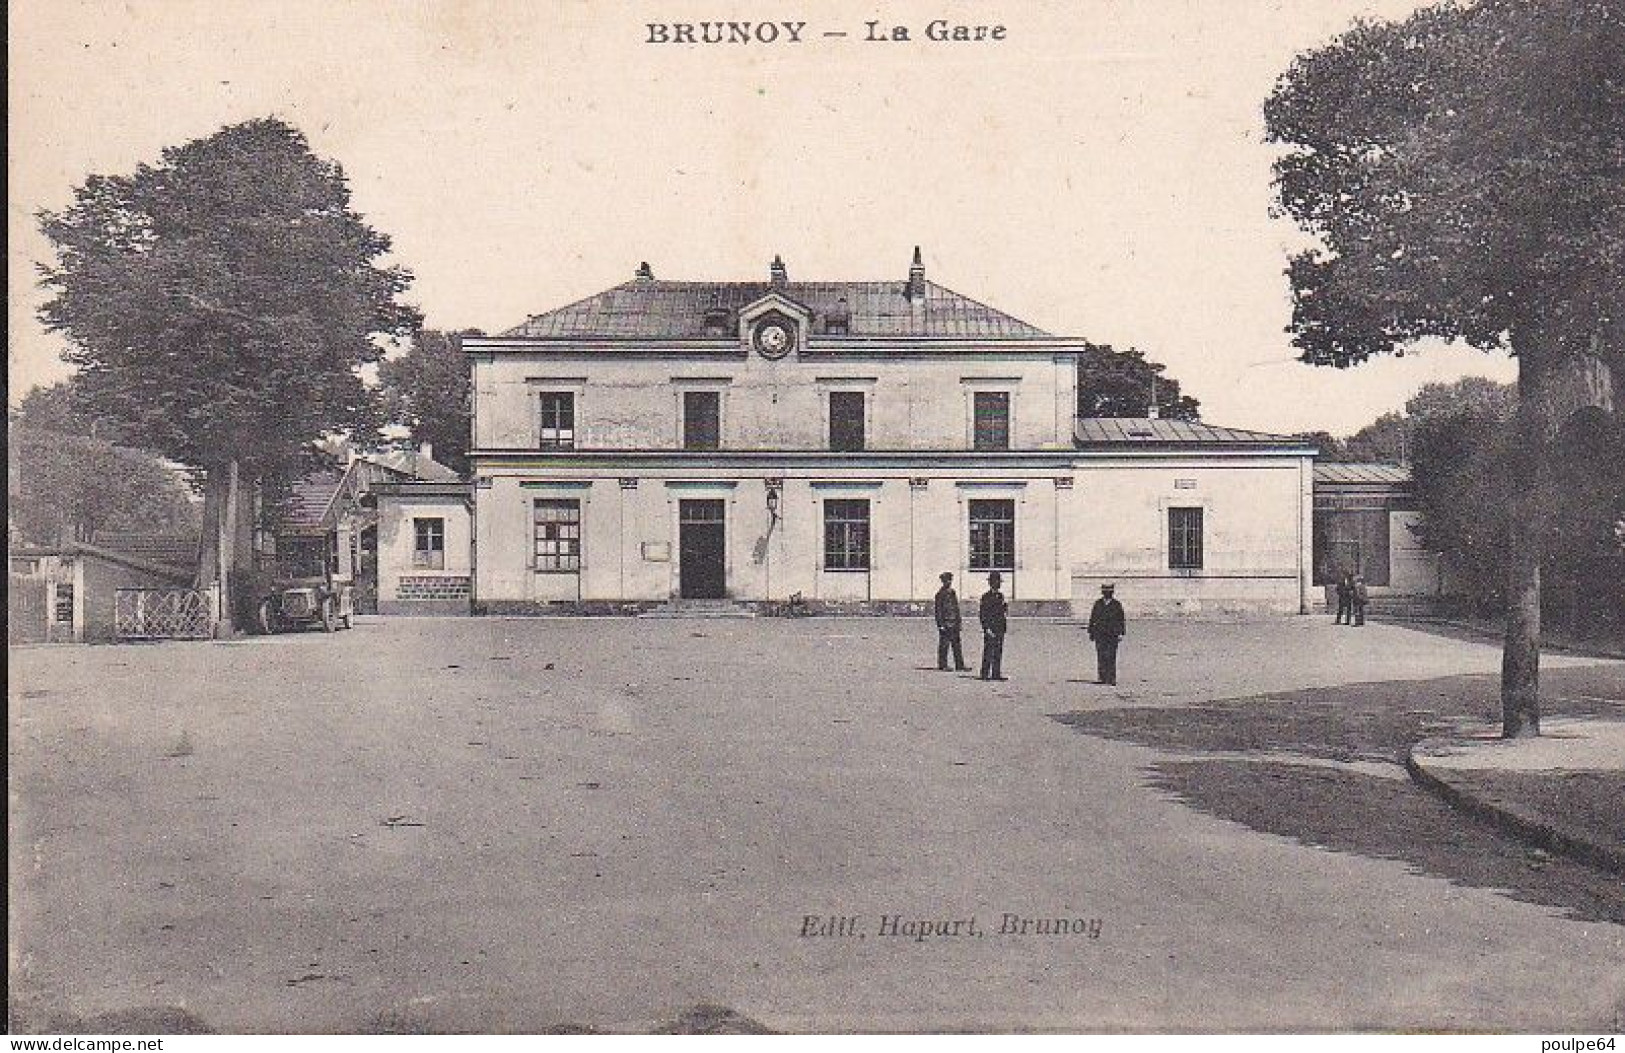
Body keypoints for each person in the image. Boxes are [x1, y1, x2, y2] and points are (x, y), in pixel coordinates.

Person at [1087, 583, 1126, 686]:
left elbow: (1121, 619)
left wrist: (1121, 633)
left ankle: (1111, 678)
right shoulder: (1098, 604)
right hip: (1100, 633)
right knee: (1101, 655)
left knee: (1111, 656)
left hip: (1112, 634)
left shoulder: (1117, 604)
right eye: (1105, 591)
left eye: (1109, 591)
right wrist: (1091, 632)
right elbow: (1093, 618)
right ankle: (1102, 677)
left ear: (1112, 592)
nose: (1107, 593)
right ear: (1102, 592)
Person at [934, 572, 970, 671]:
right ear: (943, 582)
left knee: (957, 645)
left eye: (950, 580)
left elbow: (956, 608)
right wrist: (940, 624)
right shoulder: (940, 594)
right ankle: (943, 665)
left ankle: (960, 665)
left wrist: (959, 622)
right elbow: (938, 611)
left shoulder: (952, 592)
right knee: (944, 645)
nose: (948, 582)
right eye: (946, 580)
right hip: (945, 623)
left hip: (954, 622)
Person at [977, 572, 1008, 681]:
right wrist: (986, 628)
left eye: (999, 582)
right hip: (990, 627)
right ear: (991, 583)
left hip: (1000, 627)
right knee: (988, 651)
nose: (999, 584)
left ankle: (996, 673)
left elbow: (1003, 612)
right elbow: (983, 614)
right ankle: (984, 674)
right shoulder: (986, 597)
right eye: (996, 582)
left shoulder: (1000, 596)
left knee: (998, 651)